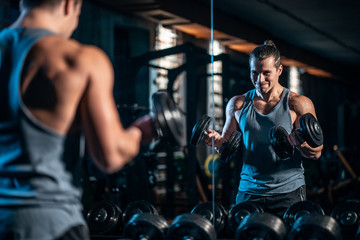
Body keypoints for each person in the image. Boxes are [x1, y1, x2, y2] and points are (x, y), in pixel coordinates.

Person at [0, 0, 159, 239]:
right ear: (69, 4)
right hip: (52, 223)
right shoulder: (80, 59)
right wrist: (141, 131)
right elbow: (110, 156)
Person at [205, 40, 323, 217]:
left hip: (288, 192)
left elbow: (316, 152)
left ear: (279, 70)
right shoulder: (237, 104)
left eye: (266, 73)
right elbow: (226, 149)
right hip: (249, 191)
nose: (260, 80)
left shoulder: (298, 104)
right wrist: (216, 142)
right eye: (255, 73)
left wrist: (301, 145)